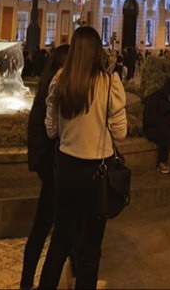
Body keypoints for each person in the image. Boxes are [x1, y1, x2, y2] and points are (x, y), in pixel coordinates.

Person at [38, 27, 127, 290]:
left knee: (59, 243)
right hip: (98, 173)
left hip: (66, 169)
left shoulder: (59, 80)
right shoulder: (109, 82)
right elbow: (120, 133)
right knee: (90, 249)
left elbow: (51, 129)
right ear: (98, 51)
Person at [20, 44, 69, 290]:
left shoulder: (46, 87)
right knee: (57, 230)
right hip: (55, 168)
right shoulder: (56, 90)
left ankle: (27, 280)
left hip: (49, 167)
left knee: (43, 227)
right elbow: (51, 131)